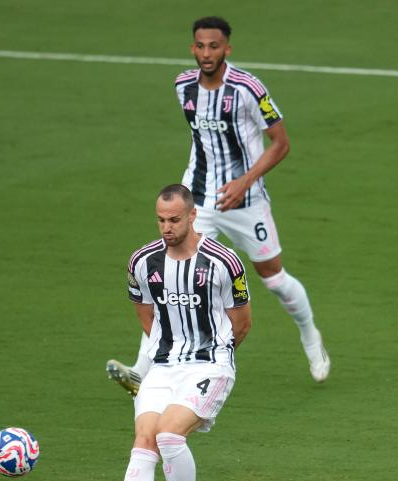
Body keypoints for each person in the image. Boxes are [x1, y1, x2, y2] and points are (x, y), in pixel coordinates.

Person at [106, 15, 327, 396]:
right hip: (199, 199)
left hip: (247, 200)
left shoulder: (248, 88)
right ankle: (144, 369)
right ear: (193, 47)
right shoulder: (182, 86)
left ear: (227, 48)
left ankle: (309, 333)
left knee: (273, 277)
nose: (206, 53)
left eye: (214, 46)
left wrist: (244, 181)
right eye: (200, 46)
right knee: (177, 274)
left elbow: (281, 143)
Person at [91, 184, 252, 481]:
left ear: (193, 215)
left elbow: (242, 324)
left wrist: (213, 360)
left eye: (175, 219)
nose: (167, 227)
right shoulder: (143, 262)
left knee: (168, 434)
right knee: (145, 439)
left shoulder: (223, 262)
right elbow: (145, 313)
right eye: (161, 219)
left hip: (210, 365)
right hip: (163, 365)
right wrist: (168, 348)